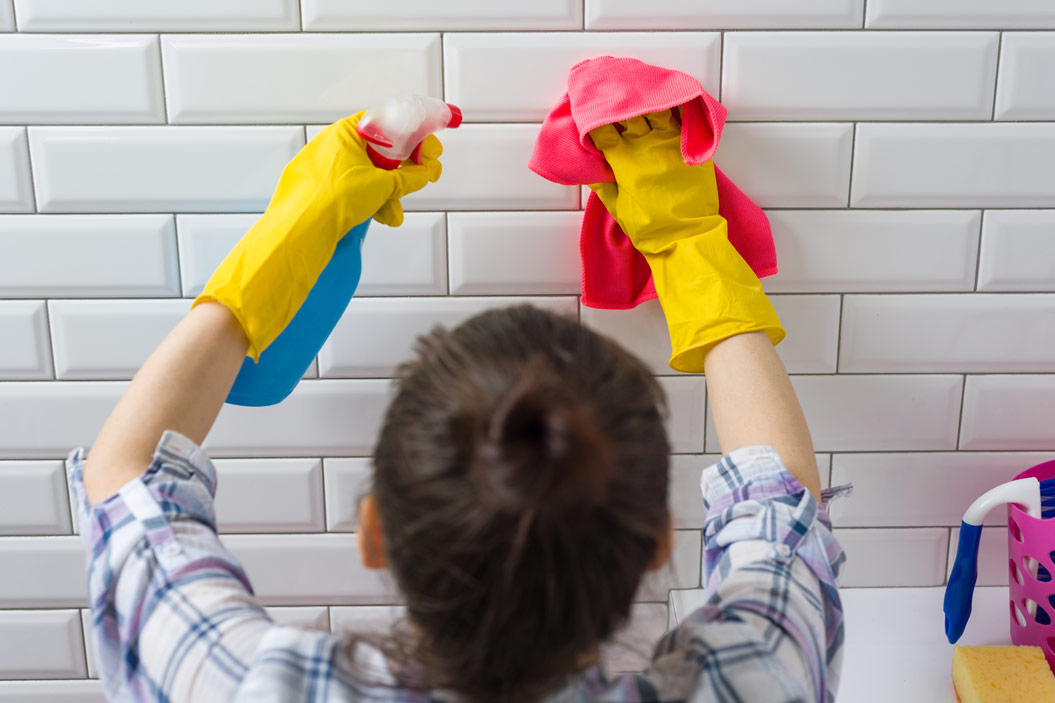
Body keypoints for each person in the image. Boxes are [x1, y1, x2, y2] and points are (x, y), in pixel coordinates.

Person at [70, 109, 846, 703]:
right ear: (657, 542)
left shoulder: (247, 682)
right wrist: (686, 240)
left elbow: (124, 474)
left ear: (373, 531)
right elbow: (779, 510)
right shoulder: (750, 675)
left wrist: (291, 236)